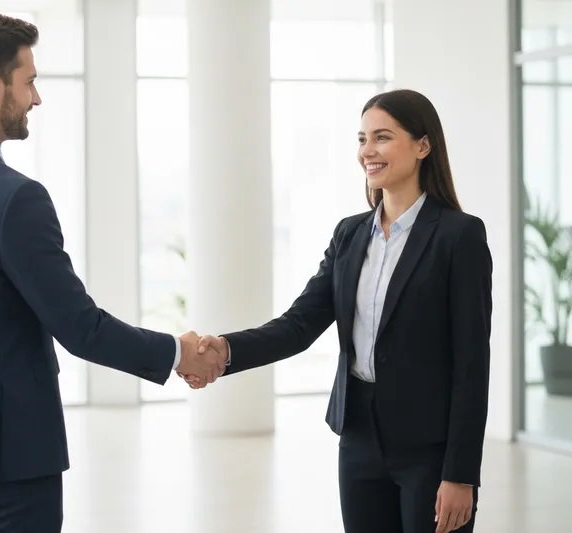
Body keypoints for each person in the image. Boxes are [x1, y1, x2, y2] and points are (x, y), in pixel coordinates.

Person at [0, 12, 224, 533]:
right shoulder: (16, 197)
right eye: (29, 81)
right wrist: (177, 353)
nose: (36, 98)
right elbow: (79, 327)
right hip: (7, 455)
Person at [185, 89, 492, 533]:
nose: (368, 151)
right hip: (359, 438)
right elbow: (299, 324)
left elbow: (471, 363)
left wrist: (461, 473)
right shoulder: (350, 235)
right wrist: (225, 350)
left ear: (423, 146)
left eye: (382, 137)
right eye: (362, 138)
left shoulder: (458, 236)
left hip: (430, 448)